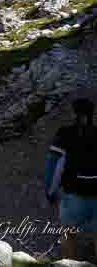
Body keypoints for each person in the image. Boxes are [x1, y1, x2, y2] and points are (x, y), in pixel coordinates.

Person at [45, 98, 97, 259]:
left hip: (73, 194)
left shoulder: (64, 134)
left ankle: (70, 262)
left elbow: (53, 166)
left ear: (74, 112)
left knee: (69, 234)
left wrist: (50, 191)